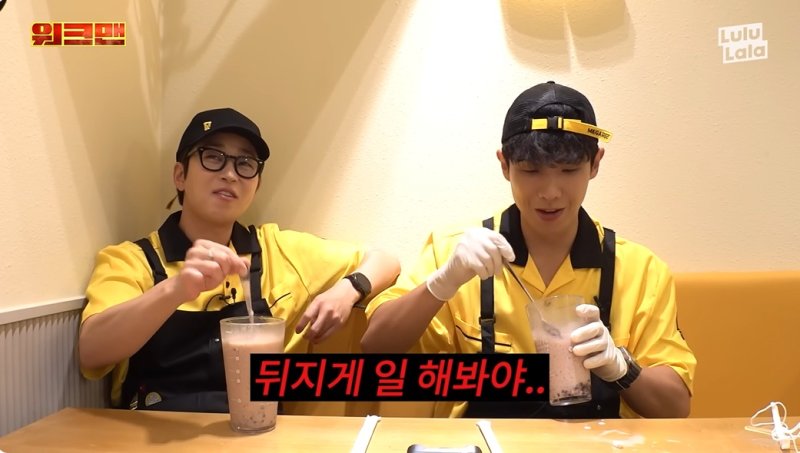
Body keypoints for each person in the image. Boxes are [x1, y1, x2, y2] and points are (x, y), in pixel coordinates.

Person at [361, 81, 696, 419]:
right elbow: (374, 346)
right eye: (531, 170)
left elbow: (676, 407)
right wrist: (443, 283)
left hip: (599, 441)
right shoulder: (455, 250)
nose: (550, 192)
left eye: (569, 170)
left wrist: (621, 367)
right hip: (484, 439)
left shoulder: (640, 269)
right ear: (504, 164)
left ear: (595, 163)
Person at [79, 107, 400, 412]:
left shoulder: (277, 249)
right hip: (150, 434)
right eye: (213, 157)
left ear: (256, 184)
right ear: (180, 175)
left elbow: (383, 259)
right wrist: (175, 289)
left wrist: (349, 289)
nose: (230, 174)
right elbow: (92, 352)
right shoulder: (132, 260)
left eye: (245, 163)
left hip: (259, 432)